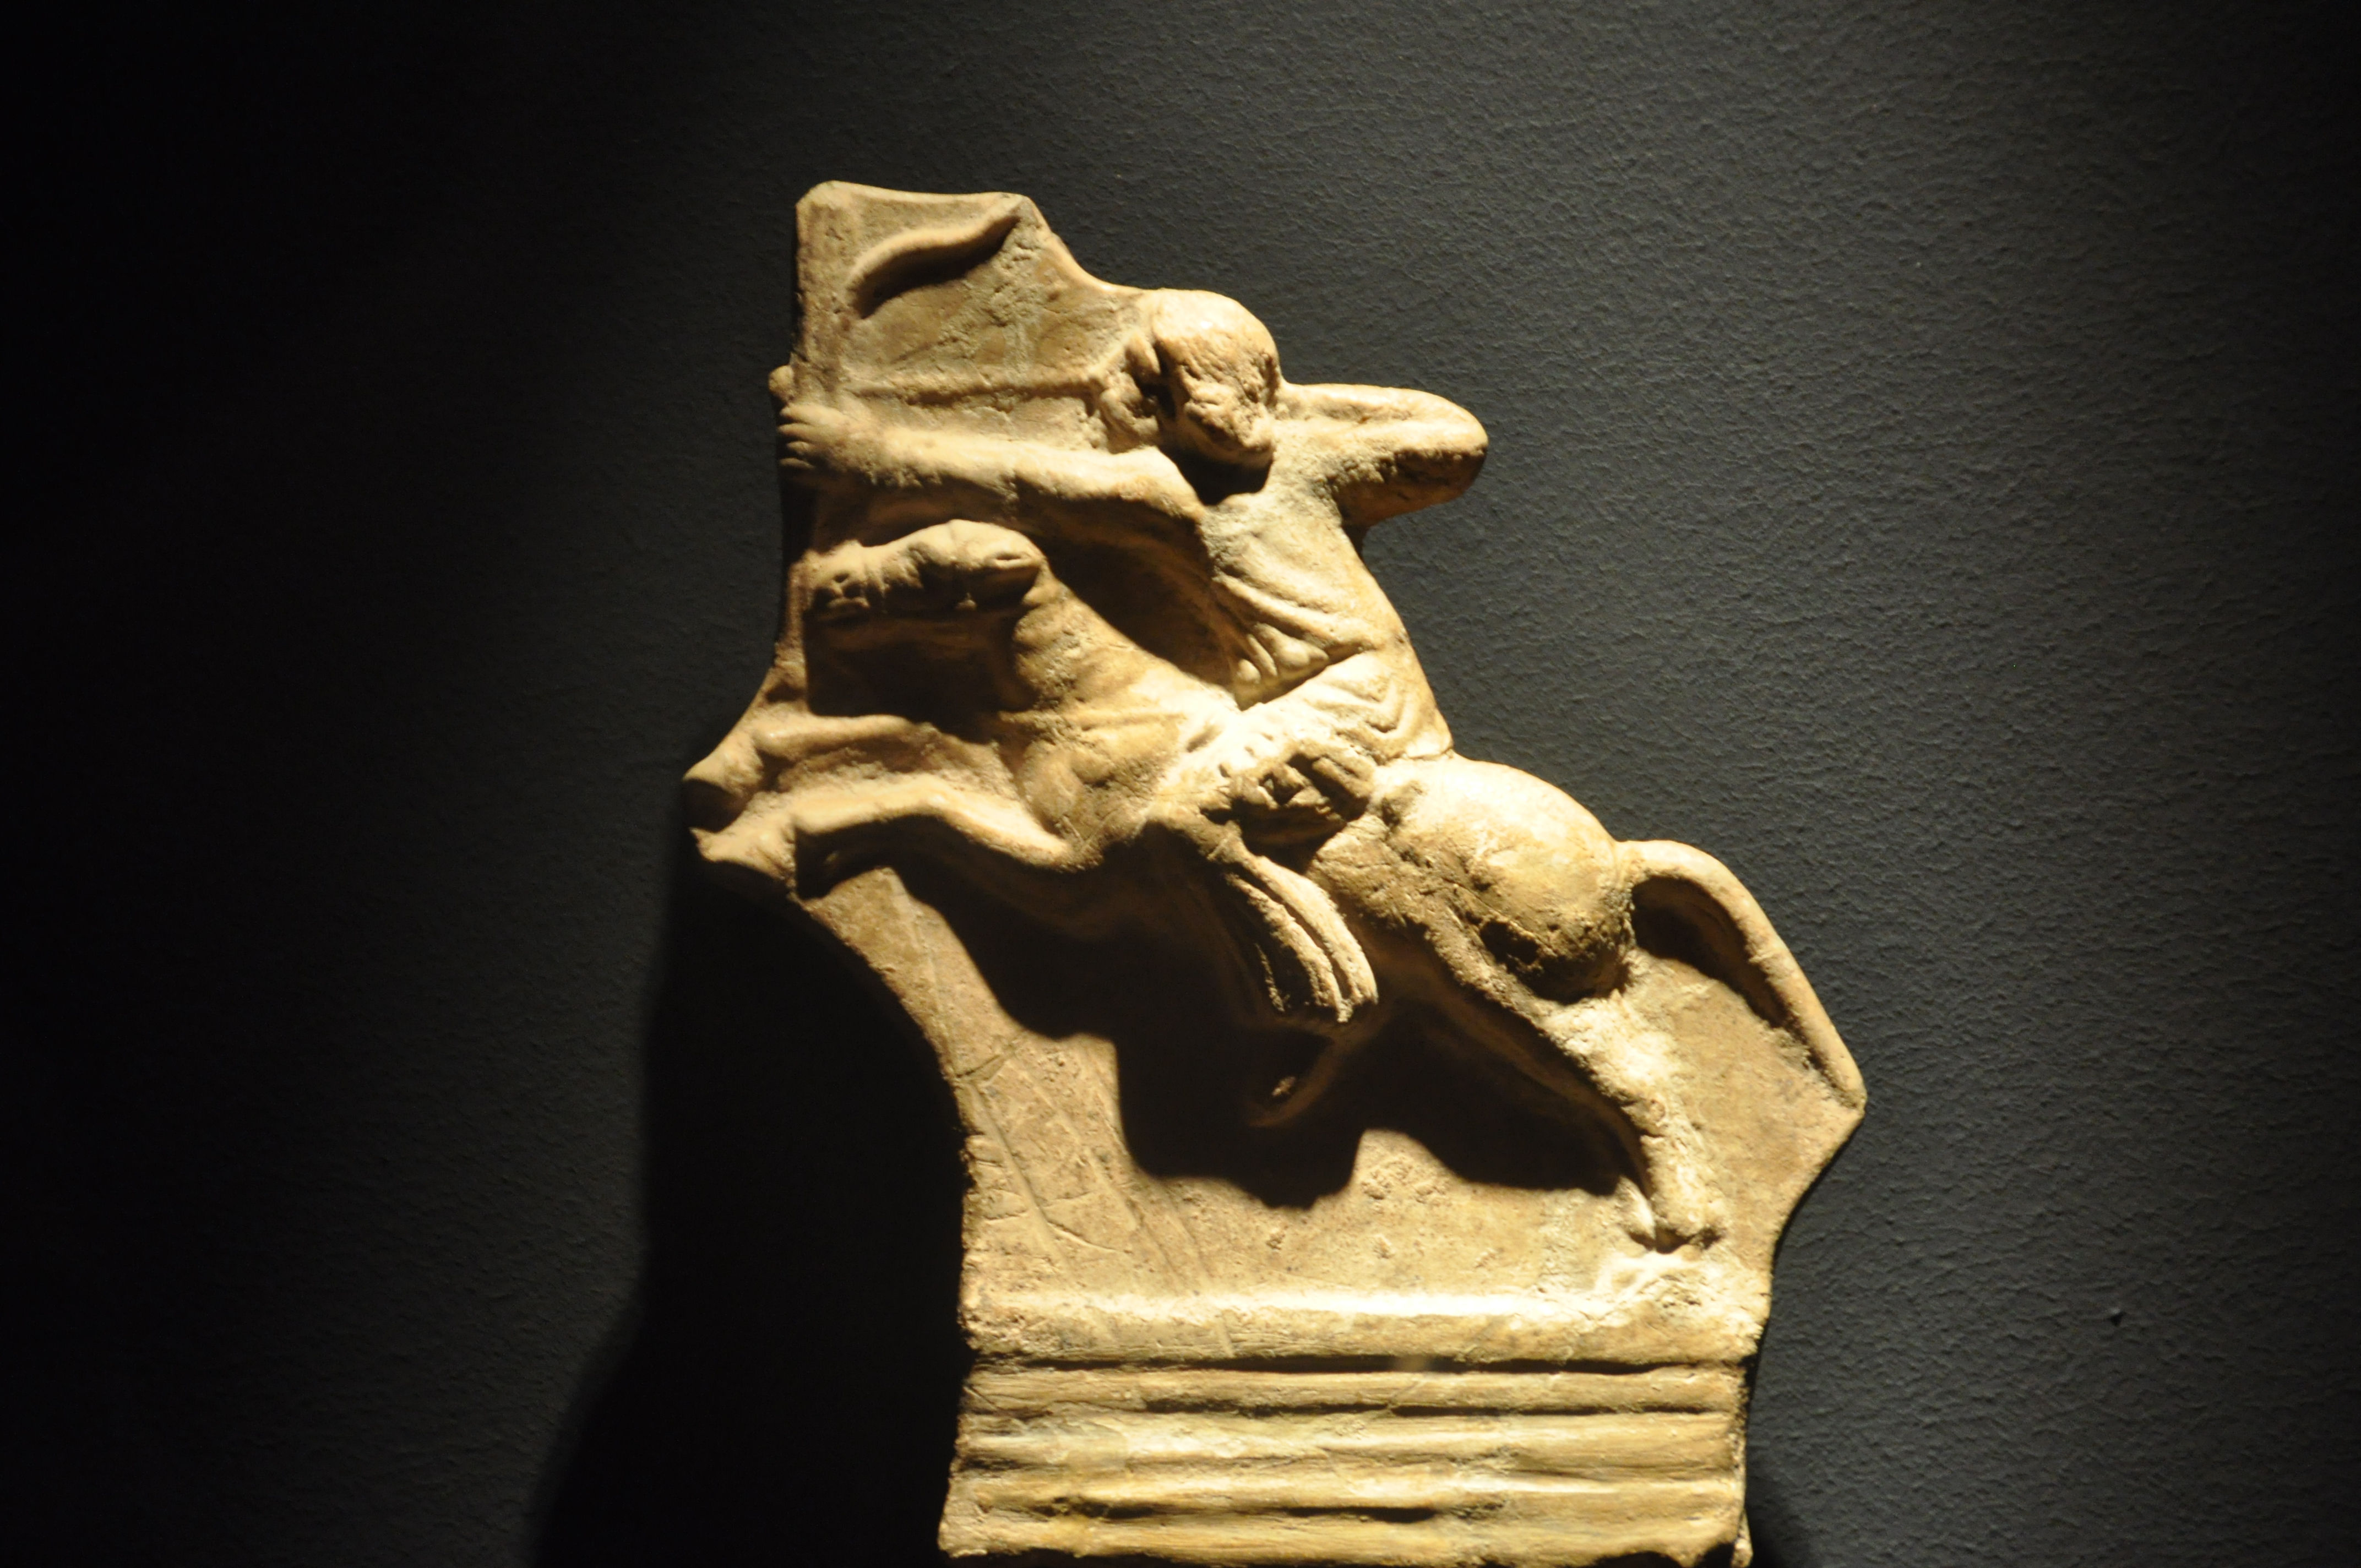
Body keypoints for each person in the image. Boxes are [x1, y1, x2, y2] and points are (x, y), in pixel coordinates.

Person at [776, 288, 1854, 1246]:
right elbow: (1452, 437)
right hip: (1380, 692)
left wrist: (862, 450)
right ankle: (1333, 996)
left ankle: (1318, 995)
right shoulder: (1307, 457)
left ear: (1170, 398)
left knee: (1175, 817)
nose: (1103, 392)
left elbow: (1019, 481)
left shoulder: (1164, 493)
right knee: (1195, 797)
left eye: (1130, 378)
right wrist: (1288, 406)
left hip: (1335, 704)